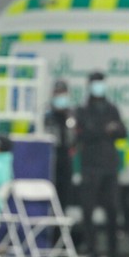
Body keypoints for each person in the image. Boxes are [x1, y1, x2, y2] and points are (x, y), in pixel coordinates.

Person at [75, 71, 127, 257]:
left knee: (112, 209)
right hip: (90, 165)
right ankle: (92, 250)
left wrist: (106, 130)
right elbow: (83, 134)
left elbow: (122, 131)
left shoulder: (111, 108)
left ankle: (114, 252)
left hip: (109, 166)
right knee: (88, 210)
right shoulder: (83, 110)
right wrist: (104, 130)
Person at [45, 79, 76, 209]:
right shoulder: (48, 115)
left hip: (66, 158)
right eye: (58, 93)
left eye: (63, 93)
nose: (60, 97)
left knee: (65, 193)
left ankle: (60, 225)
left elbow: (75, 136)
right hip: (52, 157)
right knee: (52, 191)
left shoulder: (71, 115)